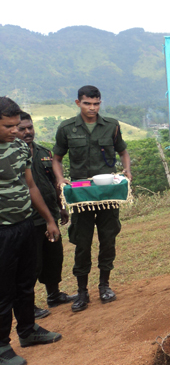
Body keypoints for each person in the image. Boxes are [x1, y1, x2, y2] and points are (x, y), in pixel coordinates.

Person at [52, 85, 132, 312]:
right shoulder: (67, 128)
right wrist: (60, 180)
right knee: (82, 242)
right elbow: (57, 158)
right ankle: (82, 291)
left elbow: (123, 151)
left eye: (96, 103)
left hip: (107, 193)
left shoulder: (111, 126)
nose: (92, 108)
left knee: (108, 239)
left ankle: (104, 285)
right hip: (81, 194)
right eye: (87, 103)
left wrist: (127, 171)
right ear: (78, 103)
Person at [0, 97, 62, 365]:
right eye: (9, 126)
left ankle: (27, 331)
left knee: (25, 283)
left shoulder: (19, 148)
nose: (16, 131)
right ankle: (2, 347)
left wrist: (49, 219)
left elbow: (31, 186)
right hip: (1, 231)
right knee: (3, 290)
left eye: (17, 126)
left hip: (25, 225)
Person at [17, 113, 76, 320]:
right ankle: (29, 306)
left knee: (54, 257)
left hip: (50, 215)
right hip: (28, 218)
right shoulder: (13, 155)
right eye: (22, 128)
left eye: (30, 128)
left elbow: (53, 183)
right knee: (32, 263)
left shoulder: (44, 152)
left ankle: (54, 295)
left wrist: (61, 207)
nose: (27, 132)